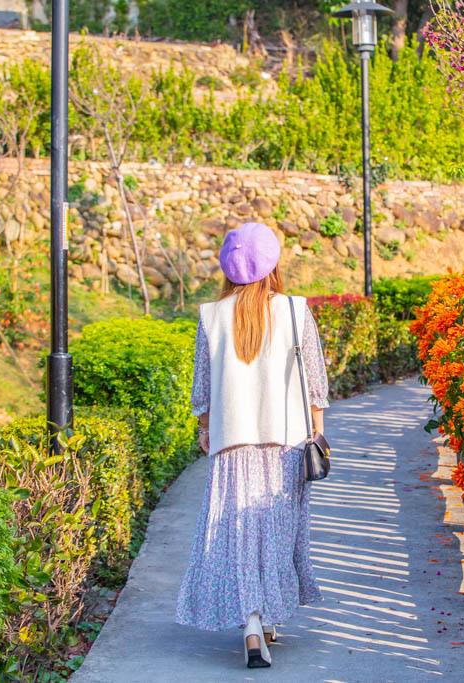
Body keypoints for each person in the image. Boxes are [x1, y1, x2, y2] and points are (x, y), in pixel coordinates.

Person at [175, 222, 327, 669]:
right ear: (273, 263)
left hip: (231, 444)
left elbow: (202, 392)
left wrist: (206, 432)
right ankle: (265, 618)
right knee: (275, 532)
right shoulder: (296, 311)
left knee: (238, 535)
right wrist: (318, 433)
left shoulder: (210, 316)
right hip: (285, 443)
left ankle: (253, 626)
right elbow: (315, 386)